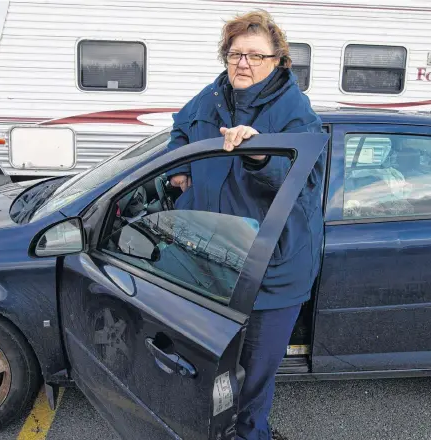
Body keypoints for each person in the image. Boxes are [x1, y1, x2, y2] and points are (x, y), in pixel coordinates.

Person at [166, 10, 324, 440]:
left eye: (256, 55)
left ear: (279, 61)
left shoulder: (293, 109)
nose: (243, 63)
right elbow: (179, 130)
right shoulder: (212, 96)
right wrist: (178, 172)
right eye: (235, 53)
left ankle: (252, 434)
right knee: (212, 362)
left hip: (268, 268)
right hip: (211, 260)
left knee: (255, 372)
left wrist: (259, 156)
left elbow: (306, 178)